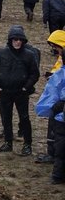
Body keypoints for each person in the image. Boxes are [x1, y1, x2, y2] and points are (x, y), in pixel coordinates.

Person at [0, 26, 41, 154]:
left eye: (20, 39)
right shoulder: (1, 53)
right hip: (5, 91)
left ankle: (27, 144)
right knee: (6, 117)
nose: (17, 42)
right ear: (10, 40)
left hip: (21, 92)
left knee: (24, 118)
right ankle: (8, 142)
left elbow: (34, 74)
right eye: (15, 39)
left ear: (23, 41)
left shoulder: (29, 55)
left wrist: (26, 87)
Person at [36, 39, 65, 185]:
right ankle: (58, 175)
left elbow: (51, 95)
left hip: (60, 118)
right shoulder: (59, 75)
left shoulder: (59, 75)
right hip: (60, 117)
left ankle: (58, 175)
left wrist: (51, 108)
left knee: (60, 147)